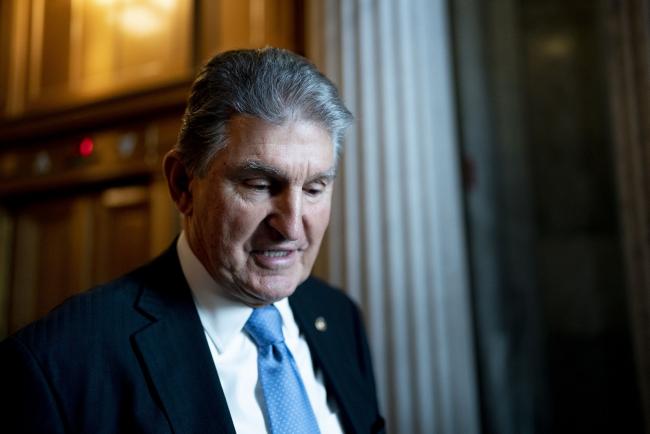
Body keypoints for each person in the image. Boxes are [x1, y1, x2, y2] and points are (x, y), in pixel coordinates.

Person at [0, 48, 384, 434]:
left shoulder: (338, 317)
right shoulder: (60, 362)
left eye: (315, 188)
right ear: (183, 184)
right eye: (260, 185)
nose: (293, 229)